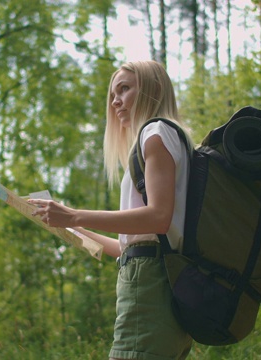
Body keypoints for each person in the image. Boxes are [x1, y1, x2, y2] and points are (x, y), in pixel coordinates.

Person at [29, 60, 193, 360]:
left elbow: (158, 217)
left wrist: (74, 213)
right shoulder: (168, 137)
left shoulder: (155, 133)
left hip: (149, 285)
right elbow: (128, 246)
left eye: (125, 88)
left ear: (153, 89)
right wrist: (72, 228)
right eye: (113, 94)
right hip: (158, 278)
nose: (115, 101)